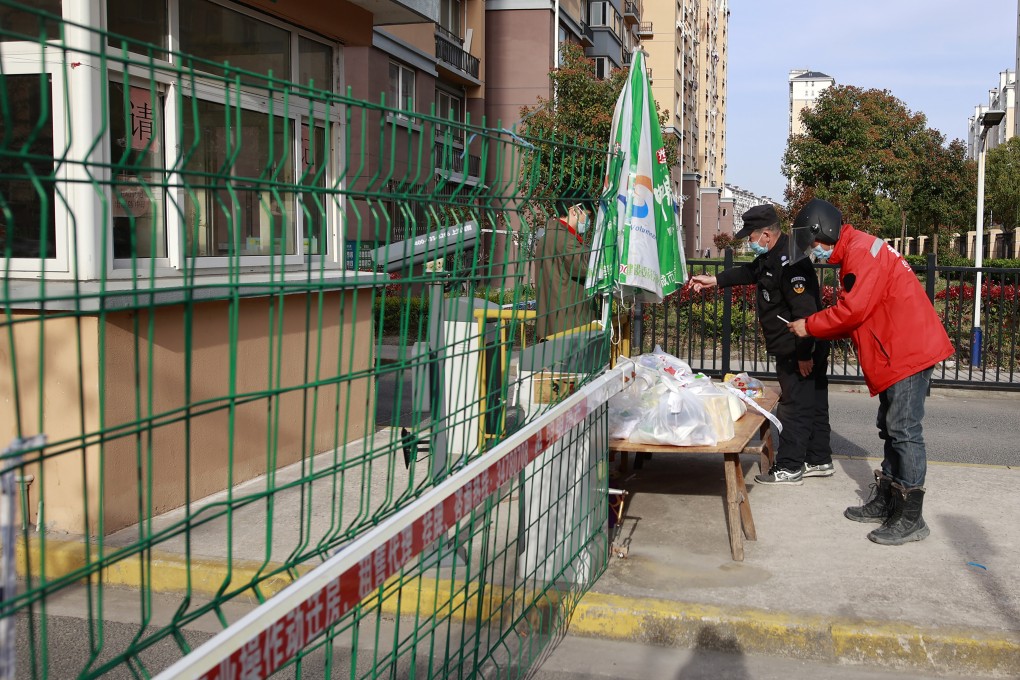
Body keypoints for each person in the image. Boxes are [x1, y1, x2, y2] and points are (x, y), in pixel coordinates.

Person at [787, 198, 954, 545]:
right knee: (891, 427)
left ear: (826, 231)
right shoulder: (856, 250)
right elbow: (856, 310)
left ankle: (911, 518)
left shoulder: (862, 251)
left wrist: (810, 326)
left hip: (908, 349)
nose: (812, 251)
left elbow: (853, 311)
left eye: (813, 243)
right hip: (896, 349)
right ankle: (889, 501)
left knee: (904, 430)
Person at [690, 204, 832, 485]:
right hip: (797, 346)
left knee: (794, 405)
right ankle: (819, 459)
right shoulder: (773, 256)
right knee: (813, 403)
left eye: (751, 238)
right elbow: (751, 272)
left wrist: (805, 355)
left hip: (798, 348)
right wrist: (715, 280)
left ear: (766, 234)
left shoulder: (792, 264)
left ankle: (790, 467)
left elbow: (805, 314)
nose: (749, 242)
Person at [534, 198, 595, 340]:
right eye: (587, 215)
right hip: (570, 324)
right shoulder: (565, 240)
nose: (588, 221)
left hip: (551, 321)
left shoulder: (548, 237)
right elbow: (586, 267)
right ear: (574, 210)